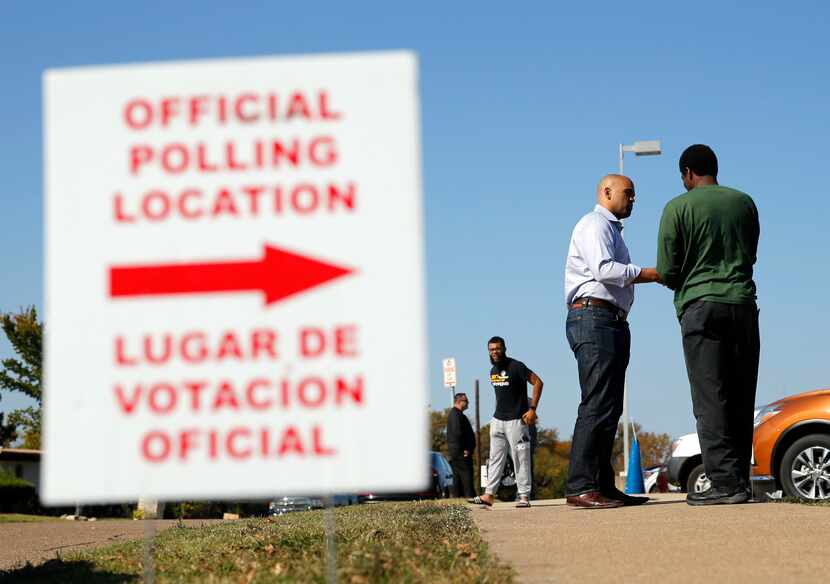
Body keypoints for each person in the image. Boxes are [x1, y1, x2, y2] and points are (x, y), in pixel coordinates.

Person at [657, 145, 760, 506]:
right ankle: (741, 483)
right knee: (740, 394)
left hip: (700, 306)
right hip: (742, 304)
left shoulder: (677, 208)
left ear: (688, 173)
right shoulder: (744, 202)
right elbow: (751, 253)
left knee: (710, 396)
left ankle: (722, 484)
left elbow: (669, 271)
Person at [563, 174, 661, 509]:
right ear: (606, 192)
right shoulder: (594, 224)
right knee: (597, 403)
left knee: (609, 407)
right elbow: (604, 269)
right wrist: (648, 273)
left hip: (609, 321)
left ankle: (602, 485)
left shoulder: (611, 229)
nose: (633, 200)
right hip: (594, 318)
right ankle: (581, 487)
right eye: (628, 194)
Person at [469, 336, 543, 508]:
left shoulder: (516, 366)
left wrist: (532, 409)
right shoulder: (493, 370)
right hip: (497, 420)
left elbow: (538, 382)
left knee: (520, 457)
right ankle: (489, 495)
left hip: (516, 421)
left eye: (497, 348)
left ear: (504, 349)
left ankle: (524, 495)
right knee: (495, 458)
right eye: (491, 349)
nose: (494, 352)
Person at [446, 392, 477, 498]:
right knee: (466, 477)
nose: (468, 403)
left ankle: (459, 497)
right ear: (459, 401)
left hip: (458, 452)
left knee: (458, 478)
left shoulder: (458, 414)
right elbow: (457, 433)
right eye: (466, 401)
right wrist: (465, 448)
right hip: (460, 453)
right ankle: (470, 497)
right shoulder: (455, 414)